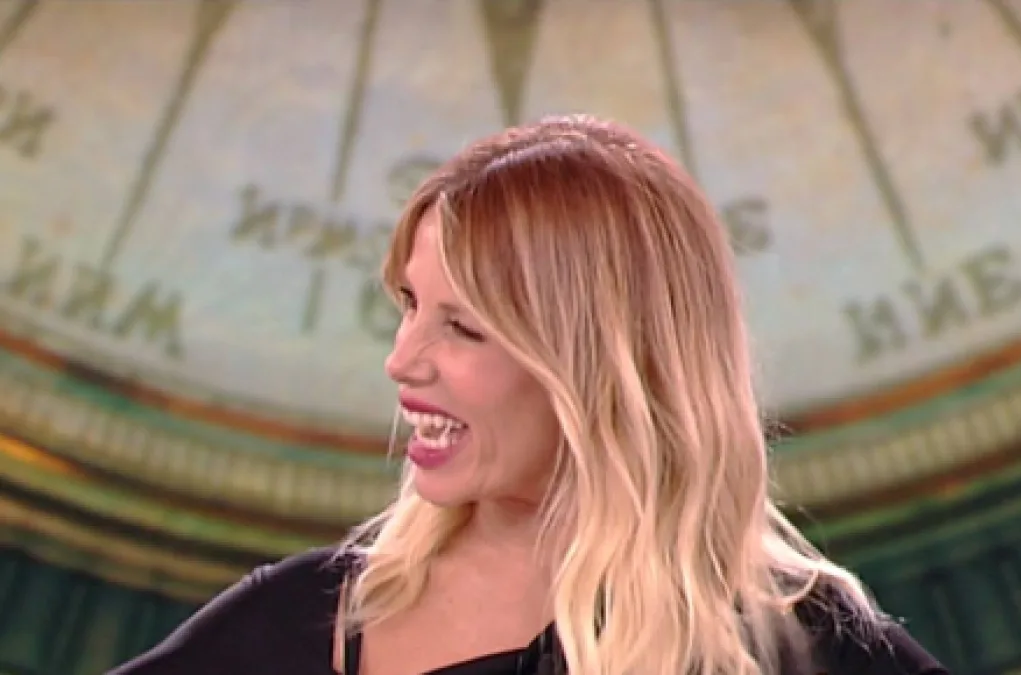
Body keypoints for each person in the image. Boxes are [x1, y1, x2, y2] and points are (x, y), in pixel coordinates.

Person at [109, 115, 948, 675]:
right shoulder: (293, 622)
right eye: (409, 305)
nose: (402, 362)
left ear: (598, 365)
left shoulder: (802, 645)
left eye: (462, 328)